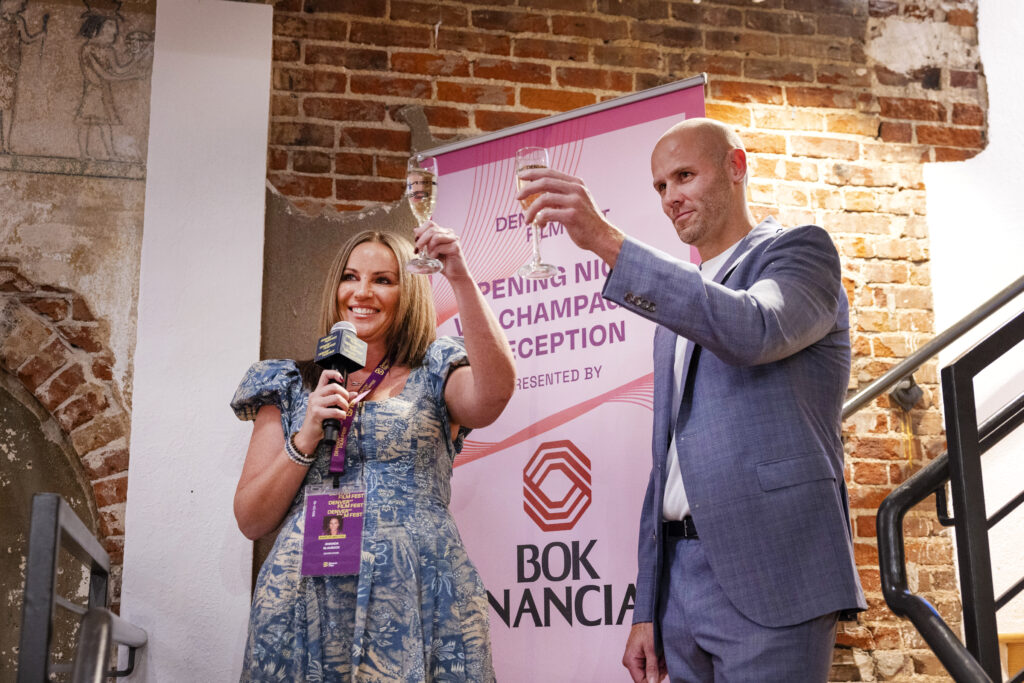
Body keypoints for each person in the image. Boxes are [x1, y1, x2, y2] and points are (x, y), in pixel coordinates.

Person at [517, 117, 866, 682]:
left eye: (684, 176)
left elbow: (754, 329)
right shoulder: (673, 308)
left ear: (736, 166)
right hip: (678, 587)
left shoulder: (800, 253)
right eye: (660, 186)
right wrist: (647, 607)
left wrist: (605, 240)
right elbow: (666, 469)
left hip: (774, 572)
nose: (670, 198)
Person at [230, 225, 515, 681]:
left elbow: (494, 396)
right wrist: (306, 436)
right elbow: (251, 520)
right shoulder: (289, 383)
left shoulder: (437, 369)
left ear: (409, 292)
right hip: (303, 599)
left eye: (383, 280)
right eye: (350, 277)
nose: (361, 292)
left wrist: (460, 277)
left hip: (418, 595)